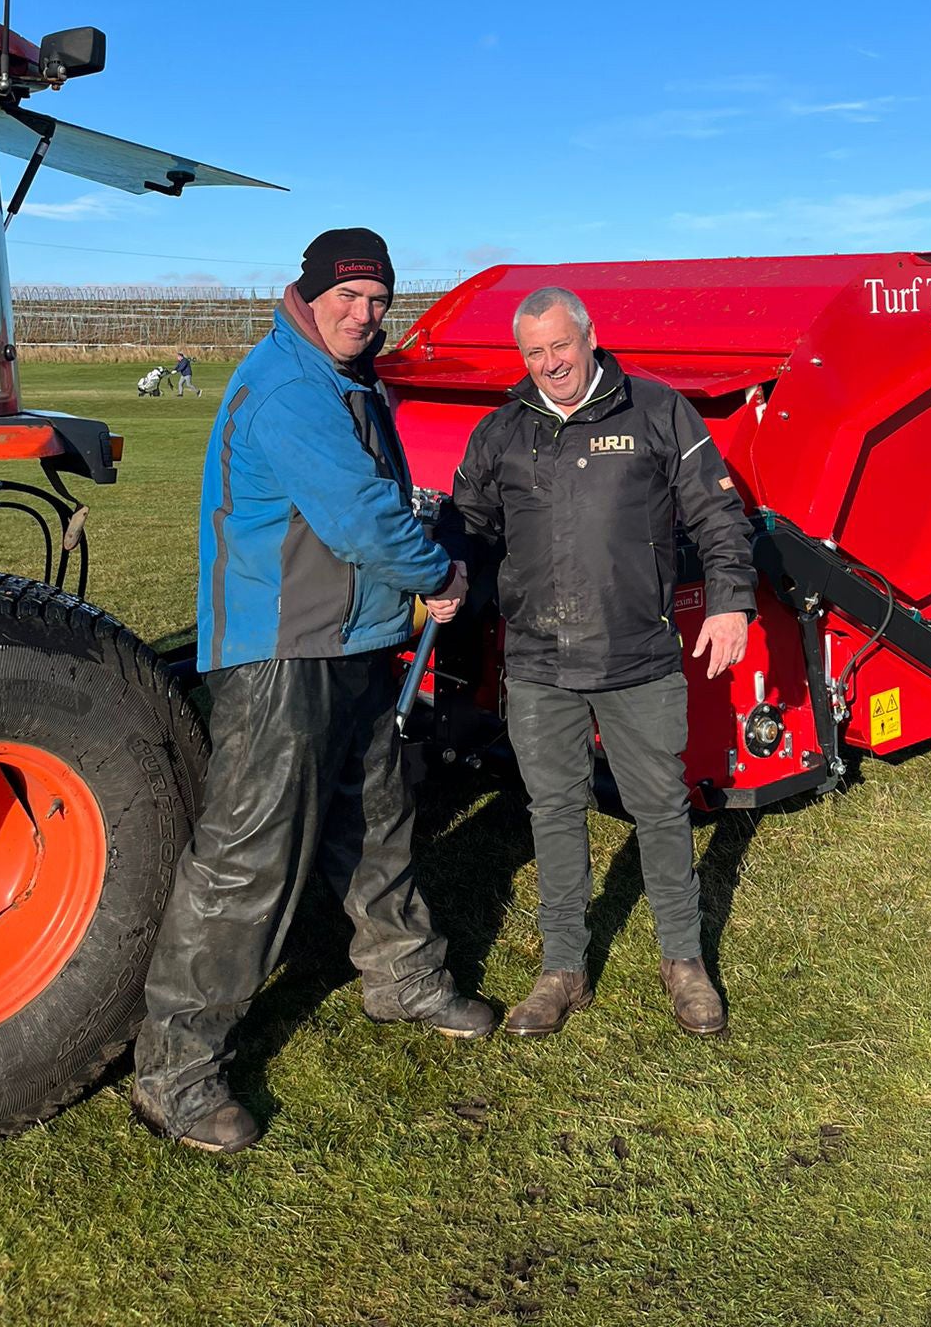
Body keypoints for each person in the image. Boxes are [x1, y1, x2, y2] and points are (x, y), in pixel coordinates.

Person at [133, 227, 492, 1154]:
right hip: (280, 651)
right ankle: (175, 1071)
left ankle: (402, 975)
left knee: (376, 814)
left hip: (354, 641)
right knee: (250, 854)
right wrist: (438, 577)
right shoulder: (294, 385)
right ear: (310, 291)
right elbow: (364, 517)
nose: (364, 315)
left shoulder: (349, 380)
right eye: (350, 296)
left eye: (379, 301)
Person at [450, 285, 757, 1038]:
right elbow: (465, 524)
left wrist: (729, 601)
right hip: (538, 663)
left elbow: (718, 513)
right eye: (534, 352)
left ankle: (684, 962)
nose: (550, 363)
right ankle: (563, 968)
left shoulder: (655, 411)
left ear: (589, 337)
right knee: (553, 812)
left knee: (659, 809)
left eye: (560, 345)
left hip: (637, 656)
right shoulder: (501, 431)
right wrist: (448, 574)